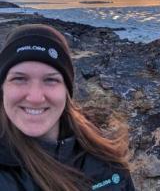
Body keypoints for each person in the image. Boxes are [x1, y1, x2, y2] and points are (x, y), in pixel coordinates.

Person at [0, 24, 135, 191]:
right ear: (3, 88)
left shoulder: (107, 158)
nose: (35, 98)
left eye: (50, 80)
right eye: (19, 79)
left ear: (66, 91)